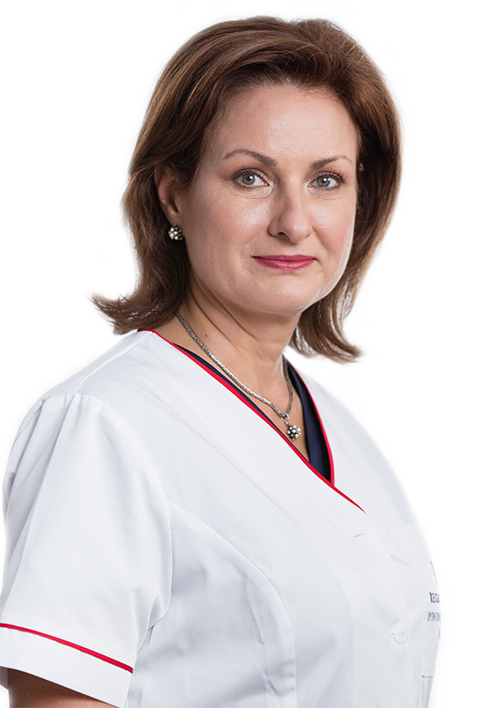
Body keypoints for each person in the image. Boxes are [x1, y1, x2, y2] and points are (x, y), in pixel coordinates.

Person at [0, 14, 441, 708]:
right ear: (173, 192)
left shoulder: (346, 434)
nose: (294, 221)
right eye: (251, 178)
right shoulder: (103, 427)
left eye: (326, 180)